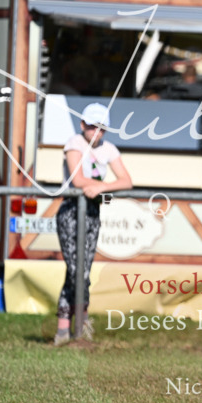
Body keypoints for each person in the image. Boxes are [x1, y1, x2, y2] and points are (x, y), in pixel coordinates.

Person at [55, 103, 133, 346]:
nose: (96, 132)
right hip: (70, 212)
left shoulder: (109, 149)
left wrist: (100, 187)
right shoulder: (74, 144)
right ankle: (68, 327)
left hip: (91, 211)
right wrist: (95, 186)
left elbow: (126, 181)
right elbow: (77, 179)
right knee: (77, 270)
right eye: (91, 127)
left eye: (101, 128)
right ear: (82, 126)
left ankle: (76, 326)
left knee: (84, 271)